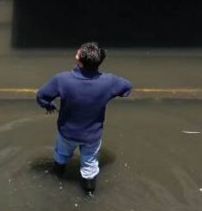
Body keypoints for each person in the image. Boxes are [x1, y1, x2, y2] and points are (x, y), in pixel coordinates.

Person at [36, 42, 132, 196]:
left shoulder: (62, 79)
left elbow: (41, 96)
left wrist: (49, 106)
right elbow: (127, 87)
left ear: (78, 60)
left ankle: (57, 177)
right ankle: (89, 193)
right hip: (92, 136)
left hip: (67, 132)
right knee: (89, 165)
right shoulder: (109, 81)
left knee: (61, 155)